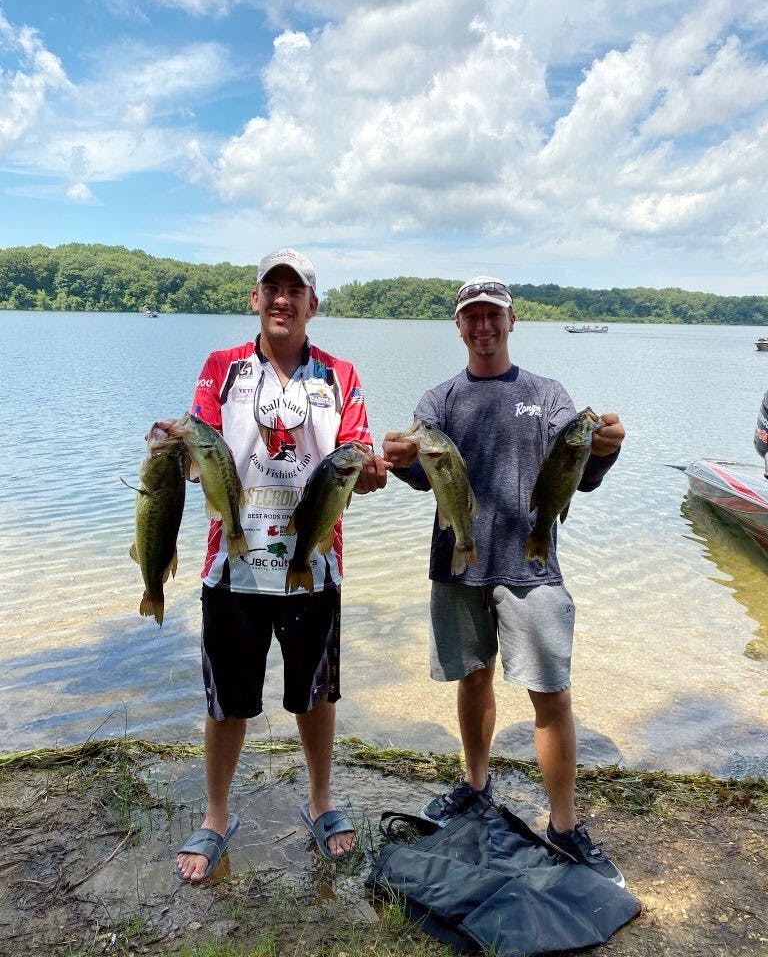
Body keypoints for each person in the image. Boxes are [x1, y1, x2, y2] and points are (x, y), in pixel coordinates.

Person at [382, 276, 626, 886]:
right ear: (458, 326)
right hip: (458, 563)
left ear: (511, 322)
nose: (483, 326)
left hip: (531, 565)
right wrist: (404, 460)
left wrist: (603, 450)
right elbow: (423, 478)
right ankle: (474, 784)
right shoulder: (438, 401)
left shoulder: (547, 395)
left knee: (551, 693)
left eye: (493, 315)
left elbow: (581, 474)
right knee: (472, 679)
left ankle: (564, 825)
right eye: (472, 317)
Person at [175, 248, 388, 882]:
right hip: (232, 563)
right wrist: (174, 444)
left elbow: (358, 455)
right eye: (273, 287)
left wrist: (372, 472)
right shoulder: (221, 369)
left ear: (312, 305)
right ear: (255, 297)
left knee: (315, 694)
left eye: (296, 291)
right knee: (226, 702)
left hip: (315, 563)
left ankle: (321, 802)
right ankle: (216, 815)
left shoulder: (341, 376)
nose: (283, 300)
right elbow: (198, 450)